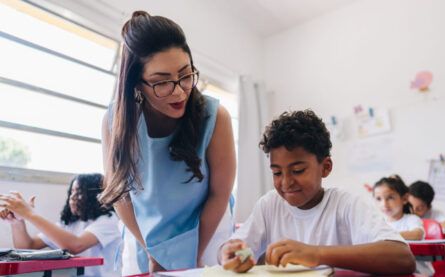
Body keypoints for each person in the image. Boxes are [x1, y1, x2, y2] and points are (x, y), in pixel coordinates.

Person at [98, 11, 236, 273]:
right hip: (143, 235)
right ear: (136, 84)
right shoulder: (115, 121)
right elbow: (120, 194)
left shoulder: (215, 116)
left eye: (185, 75)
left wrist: (193, 254)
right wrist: (152, 251)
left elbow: (220, 193)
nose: (179, 90)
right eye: (162, 82)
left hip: (205, 232)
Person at [219, 110, 415, 274]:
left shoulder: (344, 204)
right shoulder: (269, 205)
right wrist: (228, 253)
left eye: (298, 170)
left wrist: (316, 254)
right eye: (277, 172)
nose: (286, 182)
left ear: (325, 167)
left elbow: (403, 258)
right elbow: (231, 248)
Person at [0, 173, 121, 276]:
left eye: (79, 192)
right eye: (71, 192)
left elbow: (76, 245)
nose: (72, 197)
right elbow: (27, 246)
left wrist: (29, 214)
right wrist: (17, 221)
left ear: (95, 196)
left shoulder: (108, 220)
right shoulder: (69, 223)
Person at [372, 175, 425, 240]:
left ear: (405, 199)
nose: (384, 204)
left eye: (390, 198)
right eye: (378, 199)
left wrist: (388, 235)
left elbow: (418, 234)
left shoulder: (412, 219)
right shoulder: (379, 222)